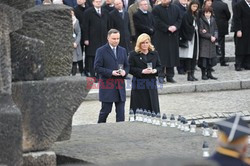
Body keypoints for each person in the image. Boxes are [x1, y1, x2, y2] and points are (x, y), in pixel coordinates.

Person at [94, 29, 129, 123]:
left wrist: (125, 72)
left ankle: (120, 132)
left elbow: (127, 66)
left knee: (121, 113)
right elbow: (97, 68)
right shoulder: (101, 51)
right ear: (108, 38)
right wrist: (111, 72)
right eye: (114, 38)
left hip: (120, 86)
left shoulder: (123, 50)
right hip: (107, 86)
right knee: (105, 111)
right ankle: (100, 128)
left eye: (118, 38)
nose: (116, 40)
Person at [129, 33, 161, 114]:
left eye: (147, 42)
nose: (145, 45)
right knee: (139, 105)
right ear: (139, 44)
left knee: (152, 104)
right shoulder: (133, 54)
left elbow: (159, 66)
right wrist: (141, 71)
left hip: (151, 82)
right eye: (143, 43)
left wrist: (155, 71)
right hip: (139, 83)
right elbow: (130, 68)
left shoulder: (155, 53)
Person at [152, 0, 182, 83]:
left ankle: (170, 76)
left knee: (171, 56)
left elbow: (179, 19)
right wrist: (167, 27)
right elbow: (156, 21)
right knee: (161, 57)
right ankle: (161, 76)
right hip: (161, 36)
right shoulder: (156, 9)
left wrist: (175, 27)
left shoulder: (176, 8)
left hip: (173, 36)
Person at [83, 0, 110, 78]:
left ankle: (100, 75)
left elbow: (108, 25)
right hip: (92, 39)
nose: (98, 2)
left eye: (99, 1)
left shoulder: (105, 12)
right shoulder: (88, 12)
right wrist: (86, 38)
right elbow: (85, 27)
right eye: (96, 1)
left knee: (102, 56)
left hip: (103, 39)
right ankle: (92, 75)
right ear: (93, 3)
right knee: (92, 57)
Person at [179, 0, 200, 81]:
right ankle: (189, 74)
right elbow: (185, 26)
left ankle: (192, 73)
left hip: (195, 37)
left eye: (196, 7)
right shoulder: (186, 15)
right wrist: (193, 28)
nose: (195, 8)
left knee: (194, 56)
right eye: (193, 6)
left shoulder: (195, 14)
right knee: (189, 56)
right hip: (189, 37)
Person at [198, 6, 218, 80]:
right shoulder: (201, 20)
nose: (207, 14)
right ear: (204, 13)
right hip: (204, 43)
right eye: (206, 13)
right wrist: (210, 36)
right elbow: (201, 32)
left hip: (212, 42)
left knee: (211, 59)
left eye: (209, 13)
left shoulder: (213, 20)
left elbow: (216, 29)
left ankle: (209, 73)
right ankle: (203, 74)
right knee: (204, 60)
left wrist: (215, 37)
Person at [212, 0, 231, 67]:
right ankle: (222, 60)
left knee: (211, 44)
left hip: (212, 26)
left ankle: (211, 61)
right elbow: (228, 15)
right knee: (221, 44)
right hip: (222, 26)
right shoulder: (224, 5)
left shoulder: (211, 4)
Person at [232, 0, 250, 71]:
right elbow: (237, 18)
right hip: (242, 30)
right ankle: (238, 64)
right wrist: (238, 29)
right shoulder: (239, 5)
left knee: (248, 47)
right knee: (240, 47)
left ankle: (247, 63)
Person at [74, 0, 89, 76]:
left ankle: (87, 69)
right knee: (79, 53)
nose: (78, 0)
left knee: (88, 53)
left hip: (88, 34)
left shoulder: (88, 8)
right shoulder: (75, 9)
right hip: (79, 34)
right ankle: (81, 70)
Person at [71, 10, 84, 76]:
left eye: (72, 13)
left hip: (75, 43)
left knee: (75, 60)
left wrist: (76, 42)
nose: (71, 14)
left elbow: (79, 32)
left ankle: (74, 74)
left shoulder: (76, 21)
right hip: (69, 43)